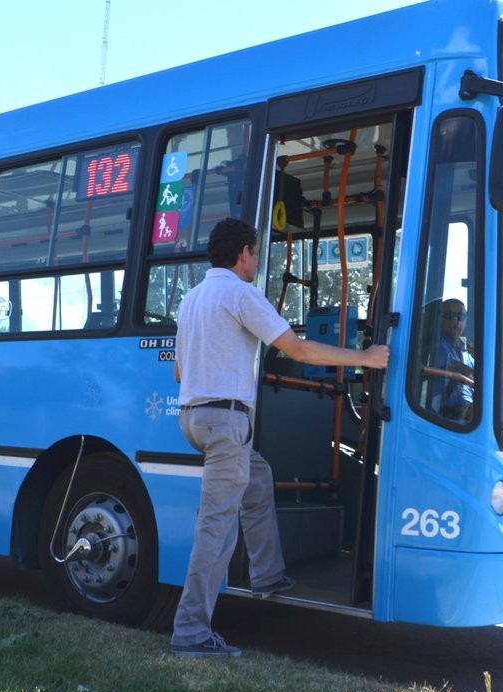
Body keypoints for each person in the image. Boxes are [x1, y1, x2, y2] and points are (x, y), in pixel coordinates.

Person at [170, 217, 390, 658]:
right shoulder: (241, 294)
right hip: (226, 422)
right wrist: (365, 358)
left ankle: (267, 574)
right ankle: (191, 633)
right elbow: (300, 350)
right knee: (216, 530)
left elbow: (179, 370)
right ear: (244, 253)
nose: (257, 259)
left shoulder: (192, 298)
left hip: (193, 418)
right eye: (256, 252)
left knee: (259, 476)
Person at [429, 298, 475, 421]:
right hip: (443, 412)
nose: (455, 321)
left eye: (460, 316)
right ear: (439, 319)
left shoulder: (466, 350)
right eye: (448, 316)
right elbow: (454, 367)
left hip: (466, 408)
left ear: (465, 320)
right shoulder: (436, 344)